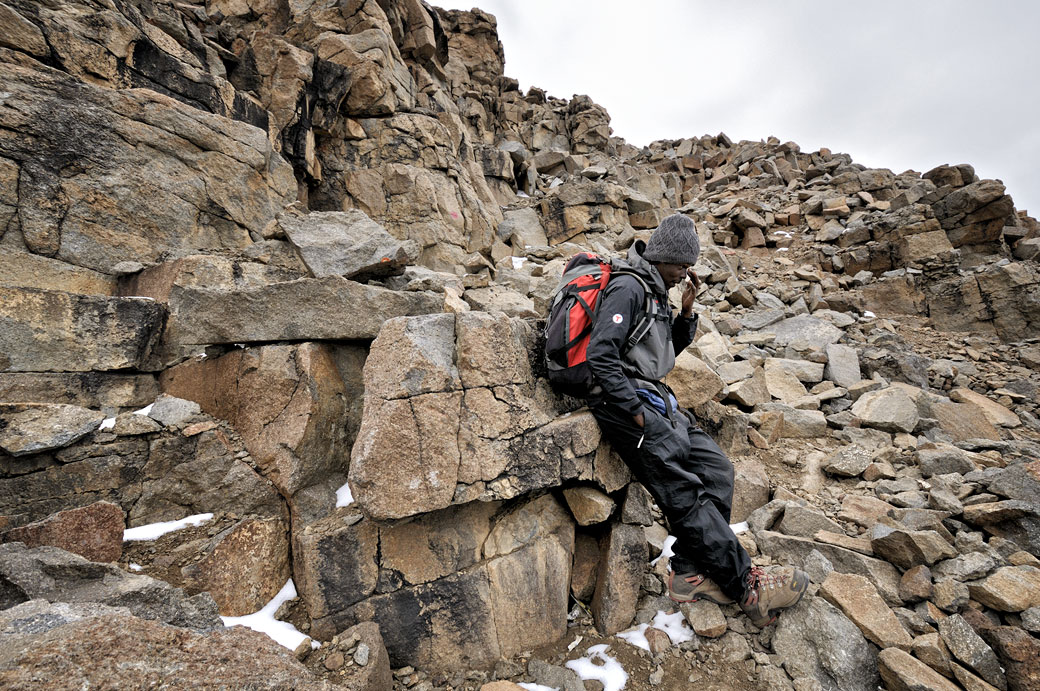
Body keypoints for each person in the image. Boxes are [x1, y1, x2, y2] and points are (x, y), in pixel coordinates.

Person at [584, 213, 808, 627]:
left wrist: (685, 314)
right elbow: (601, 356)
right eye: (682, 266)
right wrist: (634, 411)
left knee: (717, 469)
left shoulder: (655, 291)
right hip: (627, 405)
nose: (685, 273)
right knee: (683, 491)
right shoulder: (629, 286)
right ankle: (747, 587)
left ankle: (689, 571)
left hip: (653, 397)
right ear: (664, 256)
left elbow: (662, 352)